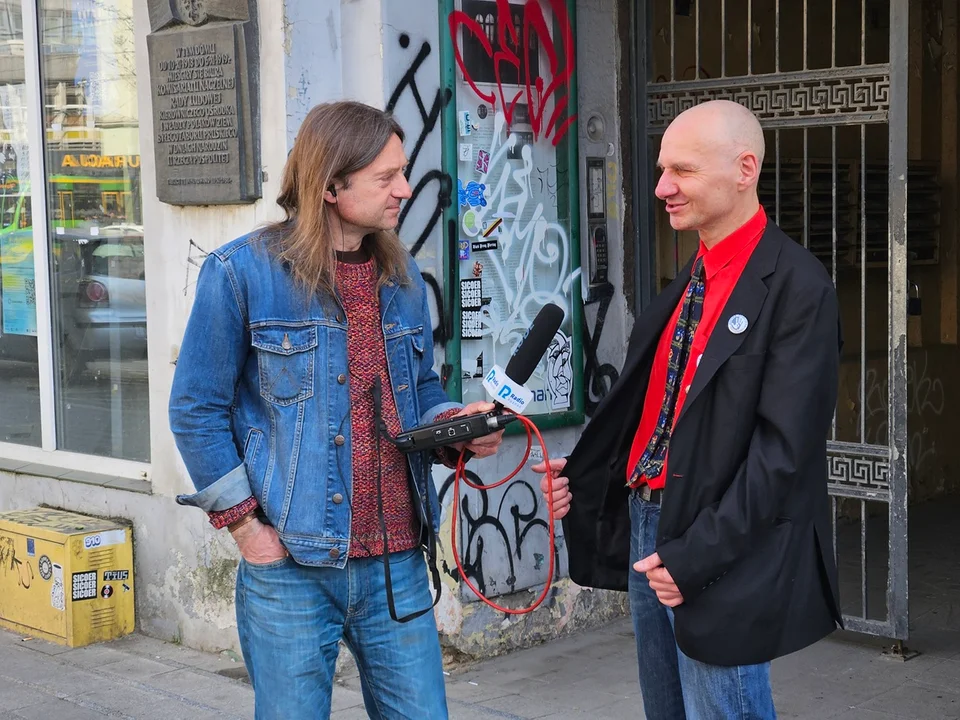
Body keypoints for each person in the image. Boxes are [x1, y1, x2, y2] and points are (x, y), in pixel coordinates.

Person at [169, 101, 503, 720]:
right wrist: (247, 530)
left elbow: (418, 391)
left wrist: (454, 426)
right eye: (386, 177)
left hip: (398, 562)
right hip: (292, 567)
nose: (405, 190)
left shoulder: (401, 276)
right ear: (330, 186)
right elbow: (195, 409)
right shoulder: (241, 273)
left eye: (404, 173)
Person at [534, 99, 842, 719]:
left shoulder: (799, 287)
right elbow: (657, 409)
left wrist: (696, 556)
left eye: (683, 170)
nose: (662, 188)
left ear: (745, 169)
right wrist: (587, 473)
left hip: (720, 542)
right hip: (651, 528)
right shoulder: (690, 279)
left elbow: (783, 455)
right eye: (661, 169)